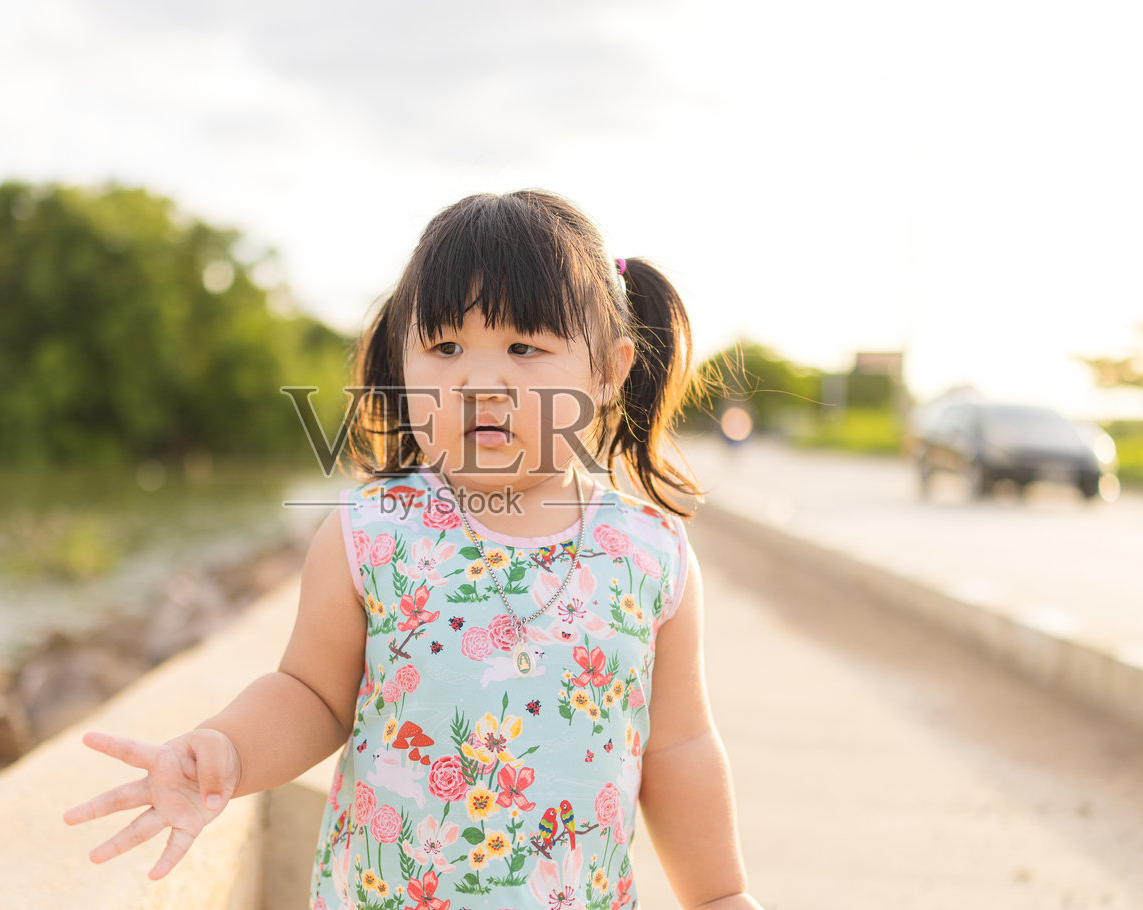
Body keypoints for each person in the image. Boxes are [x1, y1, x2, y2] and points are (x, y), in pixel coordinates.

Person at [62, 190, 763, 910]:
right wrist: (228, 751)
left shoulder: (648, 554)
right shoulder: (373, 534)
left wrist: (720, 894)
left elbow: (678, 747)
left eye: (524, 348)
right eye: (446, 348)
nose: (480, 382)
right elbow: (311, 695)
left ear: (610, 371)